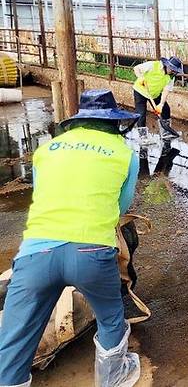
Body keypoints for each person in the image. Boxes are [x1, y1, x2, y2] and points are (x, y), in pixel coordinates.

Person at [0, 89, 141, 387]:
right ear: (115, 123)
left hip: (36, 254)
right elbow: (121, 207)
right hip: (91, 253)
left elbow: (43, 195)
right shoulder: (126, 154)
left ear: (77, 122)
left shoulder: (47, 149)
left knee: (15, 340)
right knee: (111, 317)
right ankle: (112, 378)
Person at [132, 56, 183, 146]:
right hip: (141, 91)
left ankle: (166, 132)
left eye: (175, 71)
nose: (173, 72)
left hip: (155, 94)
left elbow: (166, 91)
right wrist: (141, 78)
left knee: (166, 109)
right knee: (141, 113)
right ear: (167, 65)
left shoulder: (171, 77)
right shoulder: (153, 65)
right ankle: (143, 137)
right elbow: (136, 68)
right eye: (172, 69)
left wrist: (161, 105)